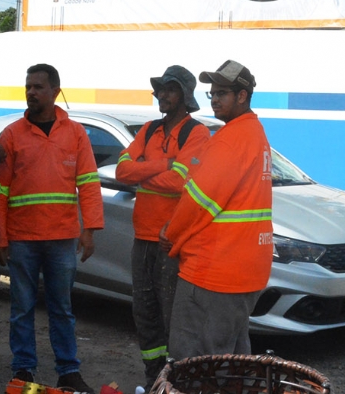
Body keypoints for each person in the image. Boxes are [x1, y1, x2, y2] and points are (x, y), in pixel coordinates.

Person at [0, 63, 103, 393]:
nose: (31, 92)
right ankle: (23, 369)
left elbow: (89, 183)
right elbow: (0, 190)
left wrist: (90, 229)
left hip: (62, 238)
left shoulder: (75, 133)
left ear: (55, 91)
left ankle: (68, 370)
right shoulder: (12, 134)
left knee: (62, 310)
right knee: (21, 308)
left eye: (38, 87)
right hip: (22, 238)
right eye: (28, 87)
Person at [165, 60, 272, 361]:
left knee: (196, 365)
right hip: (243, 271)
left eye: (222, 93)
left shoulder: (231, 140)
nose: (213, 98)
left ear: (242, 96)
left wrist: (170, 234)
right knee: (232, 362)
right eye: (212, 92)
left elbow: (199, 202)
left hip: (213, 272)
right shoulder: (255, 133)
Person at [115, 65, 210, 389]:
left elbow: (181, 180)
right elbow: (122, 171)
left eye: (170, 90)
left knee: (173, 317)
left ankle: (177, 380)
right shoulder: (149, 129)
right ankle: (153, 378)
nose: (162, 95)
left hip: (171, 240)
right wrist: (163, 165)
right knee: (144, 314)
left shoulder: (195, 133)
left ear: (184, 96)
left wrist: (144, 169)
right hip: (142, 238)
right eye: (160, 89)